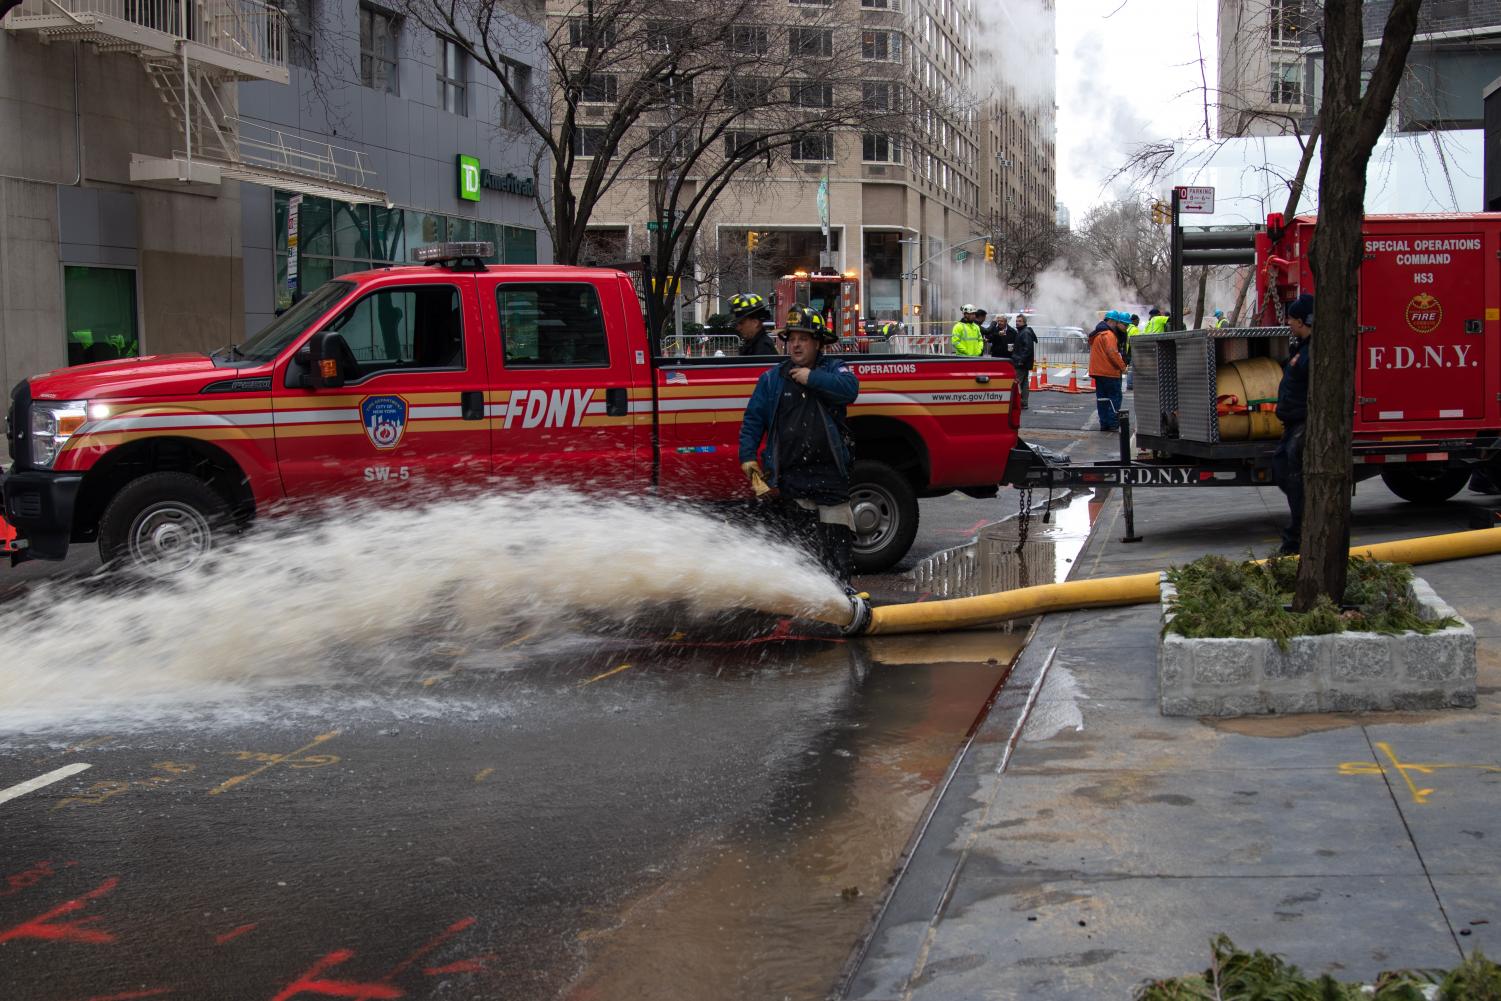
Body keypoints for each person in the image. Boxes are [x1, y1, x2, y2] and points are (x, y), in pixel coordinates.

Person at [738, 305, 861, 583]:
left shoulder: (833, 369)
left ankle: (842, 599)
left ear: (817, 343)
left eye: (803, 338)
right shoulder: (771, 379)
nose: (795, 344)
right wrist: (748, 457)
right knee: (803, 552)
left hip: (830, 475)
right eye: (791, 338)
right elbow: (753, 420)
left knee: (837, 550)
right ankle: (811, 606)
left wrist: (811, 378)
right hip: (793, 476)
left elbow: (850, 389)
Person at [1272, 293, 1313, 555]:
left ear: (1302, 321)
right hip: (1292, 424)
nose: (1289, 324)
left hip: (1302, 423)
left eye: (1291, 319)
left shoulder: (1312, 351)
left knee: (1295, 478)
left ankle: (1297, 537)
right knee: (1281, 469)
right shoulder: (1301, 347)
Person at [1089, 310, 1129, 432]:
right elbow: (1113, 353)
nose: (1117, 325)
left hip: (1098, 372)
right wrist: (1123, 367)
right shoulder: (1109, 335)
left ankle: (1104, 423)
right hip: (1110, 372)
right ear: (1111, 321)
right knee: (1114, 398)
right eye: (1116, 322)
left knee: (1102, 399)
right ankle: (1112, 423)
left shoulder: (1097, 334)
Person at [1012, 313, 1037, 410]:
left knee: (1017, 383)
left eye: (1019, 321)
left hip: (1020, 362)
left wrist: (1021, 360)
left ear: (1024, 322)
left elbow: (1027, 348)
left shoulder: (1025, 332)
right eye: (1017, 321)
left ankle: (1018, 402)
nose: (1017, 323)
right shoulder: (1023, 331)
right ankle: (1023, 402)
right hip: (1023, 362)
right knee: (1024, 383)